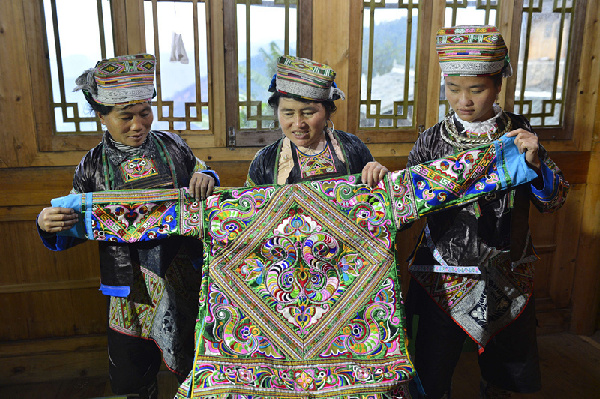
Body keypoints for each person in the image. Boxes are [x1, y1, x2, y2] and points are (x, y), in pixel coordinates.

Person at [36, 54, 219, 399]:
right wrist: (49, 224)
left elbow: (205, 181)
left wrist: (205, 177)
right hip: (130, 288)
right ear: (102, 116)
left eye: (145, 113)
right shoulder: (91, 165)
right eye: (126, 117)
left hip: (183, 275)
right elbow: (76, 221)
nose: (138, 124)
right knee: (131, 378)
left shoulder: (173, 146)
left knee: (199, 368)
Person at [404, 26, 570, 399]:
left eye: (476, 89)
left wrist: (536, 162)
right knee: (432, 374)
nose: (463, 100)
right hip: (442, 278)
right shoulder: (431, 139)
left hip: (508, 273)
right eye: (453, 89)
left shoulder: (518, 134)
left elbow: (553, 201)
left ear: (498, 85)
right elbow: (407, 203)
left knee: (504, 376)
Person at [245, 55, 388, 187]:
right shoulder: (264, 161)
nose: (298, 123)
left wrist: (380, 176)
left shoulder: (353, 147)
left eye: (308, 113)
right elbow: (249, 209)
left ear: (327, 113)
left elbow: (376, 199)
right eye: (288, 113)